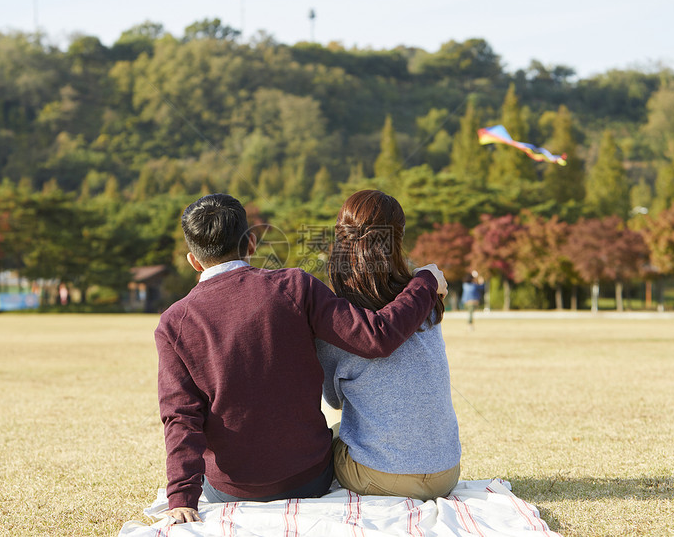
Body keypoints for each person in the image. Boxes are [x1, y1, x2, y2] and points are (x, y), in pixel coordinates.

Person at [155, 193, 448, 523]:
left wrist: (181, 496)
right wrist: (424, 281)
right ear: (251, 243)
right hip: (309, 479)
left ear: (193, 260)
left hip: (230, 489)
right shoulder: (296, 286)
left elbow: (180, 417)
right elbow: (376, 337)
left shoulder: (173, 322)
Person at [316, 190, 462, 501]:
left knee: (327, 438)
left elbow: (335, 400)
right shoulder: (424, 302)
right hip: (447, 471)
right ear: (398, 239)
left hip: (381, 478)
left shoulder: (339, 318)